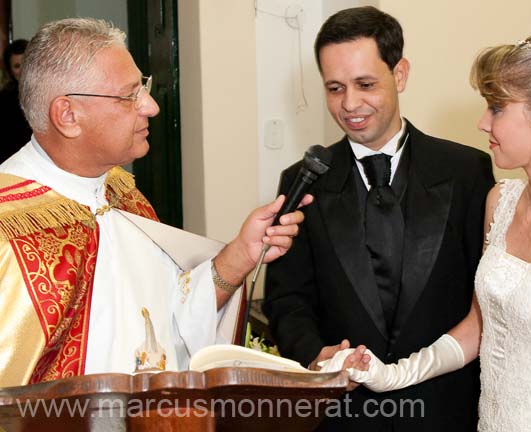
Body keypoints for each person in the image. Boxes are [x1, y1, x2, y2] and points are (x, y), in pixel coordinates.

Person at [322, 19, 531, 432]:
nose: (482, 123)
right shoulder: (501, 203)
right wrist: (393, 375)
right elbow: (482, 325)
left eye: (497, 108)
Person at [0, 18, 311, 387]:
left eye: (142, 87)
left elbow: (168, 320)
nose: (150, 107)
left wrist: (241, 254)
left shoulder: (120, 192)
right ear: (68, 116)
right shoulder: (9, 229)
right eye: (129, 95)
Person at [263, 6, 494, 431]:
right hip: (343, 416)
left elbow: (487, 298)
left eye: (365, 84)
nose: (350, 104)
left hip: (446, 412)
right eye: (335, 88)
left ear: (400, 74)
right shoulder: (300, 180)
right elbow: (286, 299)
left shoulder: (468, 172)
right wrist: (319, 356)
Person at [0, 39, 31, 162]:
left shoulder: (50, 92)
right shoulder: (4, 100)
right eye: (17, 66)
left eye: (25, 63)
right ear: (10, 71)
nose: (23, 70)